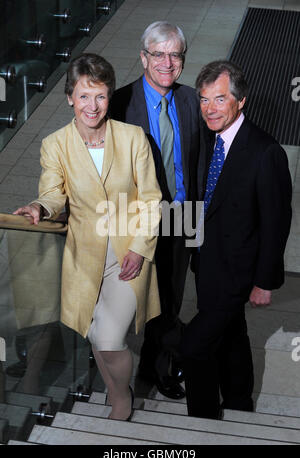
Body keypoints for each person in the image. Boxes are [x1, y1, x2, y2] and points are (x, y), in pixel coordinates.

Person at [13, 53, 162, 421]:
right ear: (69, 97)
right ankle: (116, 391)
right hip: (84, 261)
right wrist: (38, 207)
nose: (91, 106)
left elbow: (152, 199)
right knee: (96, 336)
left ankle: (122, 400)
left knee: (110, 339)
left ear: (109, 97)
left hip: (129, 258)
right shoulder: (55, 145)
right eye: (83, 96)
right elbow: (52, 194)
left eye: (100, 96)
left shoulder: (132, 139)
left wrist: (141, 250)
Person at [180, 60, 293, 419]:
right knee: (233, 339)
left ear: (240, 101)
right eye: (203, 100)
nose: (210, 109)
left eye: (219, 99)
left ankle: (204, 420)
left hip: (239, 273)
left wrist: (264, 282)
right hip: (208, 264)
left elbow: (277, 222)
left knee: (194, 347)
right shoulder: (206, 140)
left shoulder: (265, 152)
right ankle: (239, 404)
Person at [110, 21, 200, 400]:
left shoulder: (193, 100)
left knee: (170, 299)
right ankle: (113, 373)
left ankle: (156, 369)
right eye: (158, 54)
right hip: (133, 222)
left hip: (182, 216)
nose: (167, 62)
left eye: (175, 54)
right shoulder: (117, 104)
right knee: (125, 302)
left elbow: (203, 162)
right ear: (143, 57)